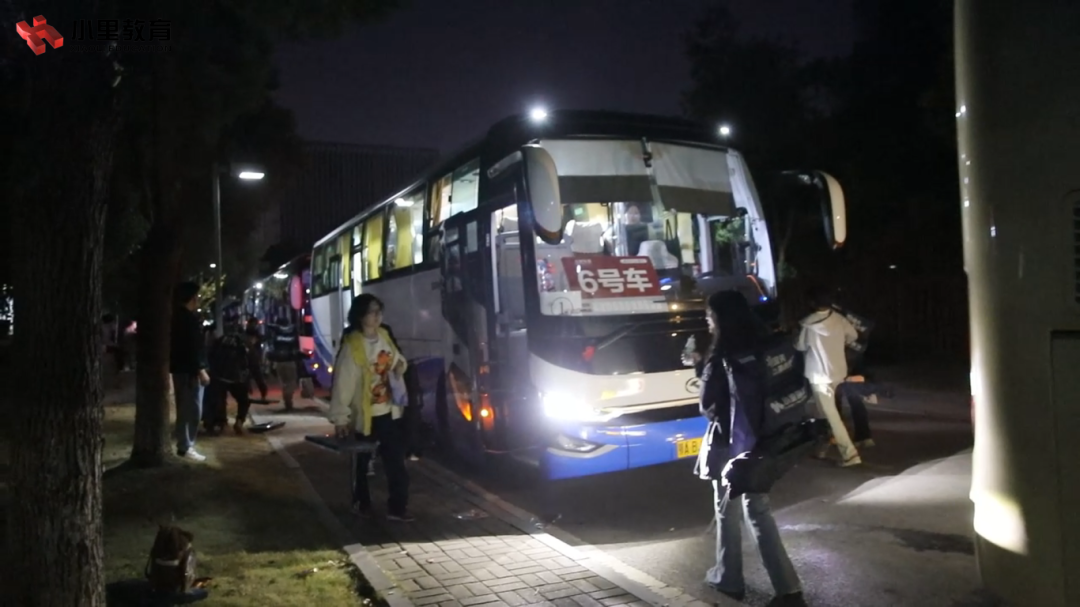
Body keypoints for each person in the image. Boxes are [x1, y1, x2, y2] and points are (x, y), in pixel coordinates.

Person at [698, 291, 805, 605]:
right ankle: (788, 588)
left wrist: (700, 366)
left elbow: (708, 406)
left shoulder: (723, 356)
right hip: (764, 442)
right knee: (758, 511)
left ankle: (728, 577)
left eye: (709, 315)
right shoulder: (765, 344)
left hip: (729, 445)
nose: (707, 320)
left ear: (720, 318)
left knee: (727, 511)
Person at [329, 293, 413, 522]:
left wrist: (400, 367)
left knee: (396, 462)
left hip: (389, 411)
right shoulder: (353, 346)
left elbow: (398, 359)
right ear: (360, 316)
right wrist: (341, 418)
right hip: (365, 417)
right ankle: (361, 503)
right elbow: (343, 384)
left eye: (379, 311)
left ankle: (397, 508)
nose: (377, 316)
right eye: (371, 312)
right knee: (362, 465)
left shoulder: (384, 335)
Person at [795, 286, 862, 467]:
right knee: (824, 413)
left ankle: (850, 454)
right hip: (838, 372)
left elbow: (800, 346)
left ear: (812, 303)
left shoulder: (807, 324)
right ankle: (823, 447)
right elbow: (853, 335)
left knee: (830, 416)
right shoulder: (839, 319)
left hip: (819, 376)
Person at [171, 281, 211, 462]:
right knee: (191, 409)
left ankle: (185, 444)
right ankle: (186, 445)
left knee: (186, 408)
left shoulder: (178, 317)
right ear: (192, 298)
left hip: (183, 370)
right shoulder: (188, 320)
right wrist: (200, 369)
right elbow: (192, 348)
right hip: (190, 372)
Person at [203, 328, 254, 435]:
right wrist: (260, 385)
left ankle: (218, 424)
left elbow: (210, 354)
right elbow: (253, 366)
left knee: (219, 399)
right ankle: (239, 422)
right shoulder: (244, 343)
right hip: (236, 378)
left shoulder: (222, 340)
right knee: (244, 400)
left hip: (218, 375)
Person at [268, 315, 303, 410]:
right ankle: (288, 399)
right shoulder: (293, 332)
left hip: (279, 362)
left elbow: (271, 348)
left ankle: (287, 400)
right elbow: (297, 348)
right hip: (290, 361)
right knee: (292, 382)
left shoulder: (275, 334)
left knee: (283, 382)